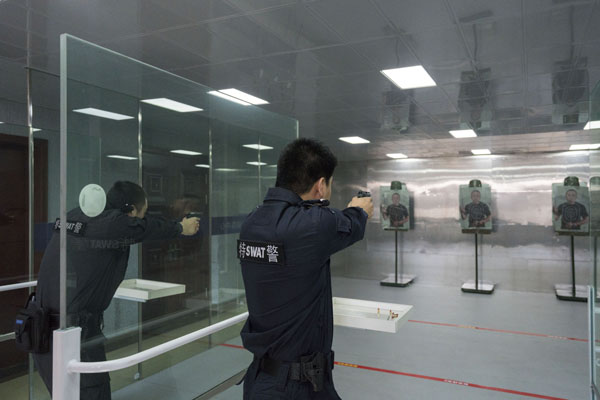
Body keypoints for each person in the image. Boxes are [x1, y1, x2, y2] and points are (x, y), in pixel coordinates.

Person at [32, 181, 200, 399]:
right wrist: (180, 228)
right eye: (142, 214)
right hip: (73, 334)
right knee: (94, 393)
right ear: (131, 211)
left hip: (45, 328)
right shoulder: (111, 225)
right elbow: (143, 228)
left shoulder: (75, 216)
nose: (141, 220)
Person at [238, 138, 373, 399]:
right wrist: (361, 210)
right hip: (295, 387)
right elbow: (352, 223)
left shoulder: (252, 222)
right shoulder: (311, 226)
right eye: (329, 184)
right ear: (320, 185)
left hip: (264, 378)